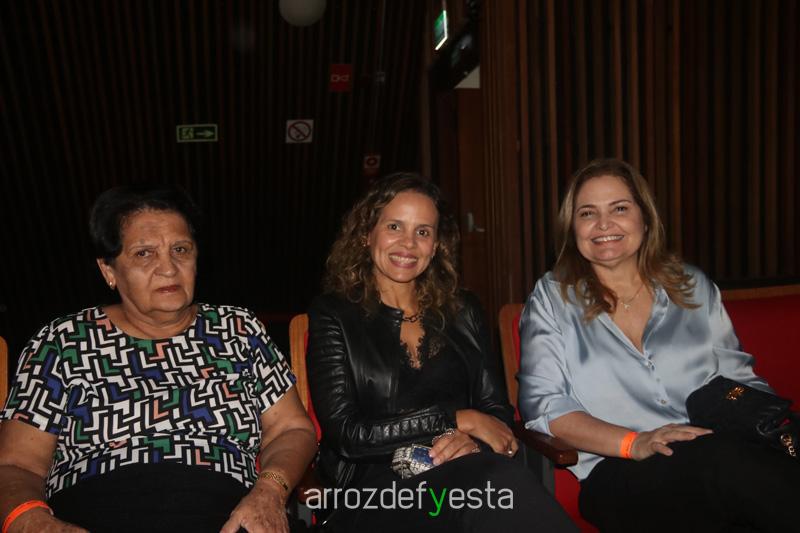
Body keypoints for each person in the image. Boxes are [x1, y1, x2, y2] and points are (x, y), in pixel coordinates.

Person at [0, 184, 317, 533]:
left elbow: (292, 428)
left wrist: (270, 491)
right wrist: (37, 524)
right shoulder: (63, 342)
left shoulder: (238, 329)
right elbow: (17, 465)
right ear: (108, 270)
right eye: (144, 254)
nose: (168, 268)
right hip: (90, 516)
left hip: (228, 518)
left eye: (181, 250)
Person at [518, 158, 800, 532]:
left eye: (619, 208)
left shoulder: (692, 286)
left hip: (719, 455)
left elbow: (739, 379)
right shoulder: (552, 299)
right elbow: (545, 408)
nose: (603, 224)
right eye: (588, 213)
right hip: (619, 473)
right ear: (573, 228)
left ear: (645, 218)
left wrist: (771, 427)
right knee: (724, 466)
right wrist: (635, 442)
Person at [306, 173, 575, 532]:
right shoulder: (334, 314)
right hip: (373, 491)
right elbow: (347, 434)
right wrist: (455, 420)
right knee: (495, 490)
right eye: (394, 227)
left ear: (435, 246)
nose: (408, 243)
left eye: (423, 232)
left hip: (466, 474)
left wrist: (473, 442)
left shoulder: (462, 310)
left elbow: (495, 411)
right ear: (367, 234)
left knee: (495, 487)